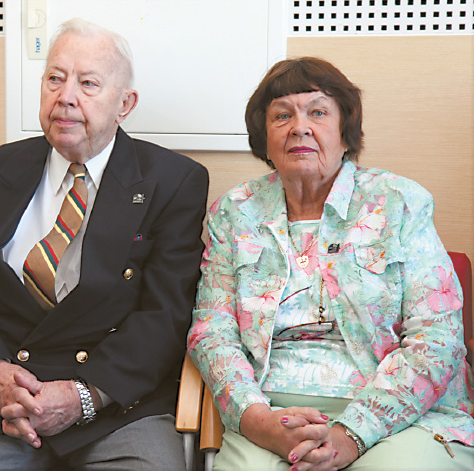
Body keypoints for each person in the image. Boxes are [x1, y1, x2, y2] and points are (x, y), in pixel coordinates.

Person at [0, 18, 208, 471]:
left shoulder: (173, 181)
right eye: (55, 78)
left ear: (125, 104)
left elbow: (167, 311)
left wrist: (84, 396)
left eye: (88, 84)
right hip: (2, 406)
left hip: (116, 406)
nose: (66, 96)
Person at [188, 56, 474, 471]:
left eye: (318, 113)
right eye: (282, 115)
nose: (299, 127)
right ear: (264, 138)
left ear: (346, 133)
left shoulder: (399, 202)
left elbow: (437, 338)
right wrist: (256, 420)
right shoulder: (234, 212)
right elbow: (212, 332)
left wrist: (350, 434)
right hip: (272, 410)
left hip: (402, 415)